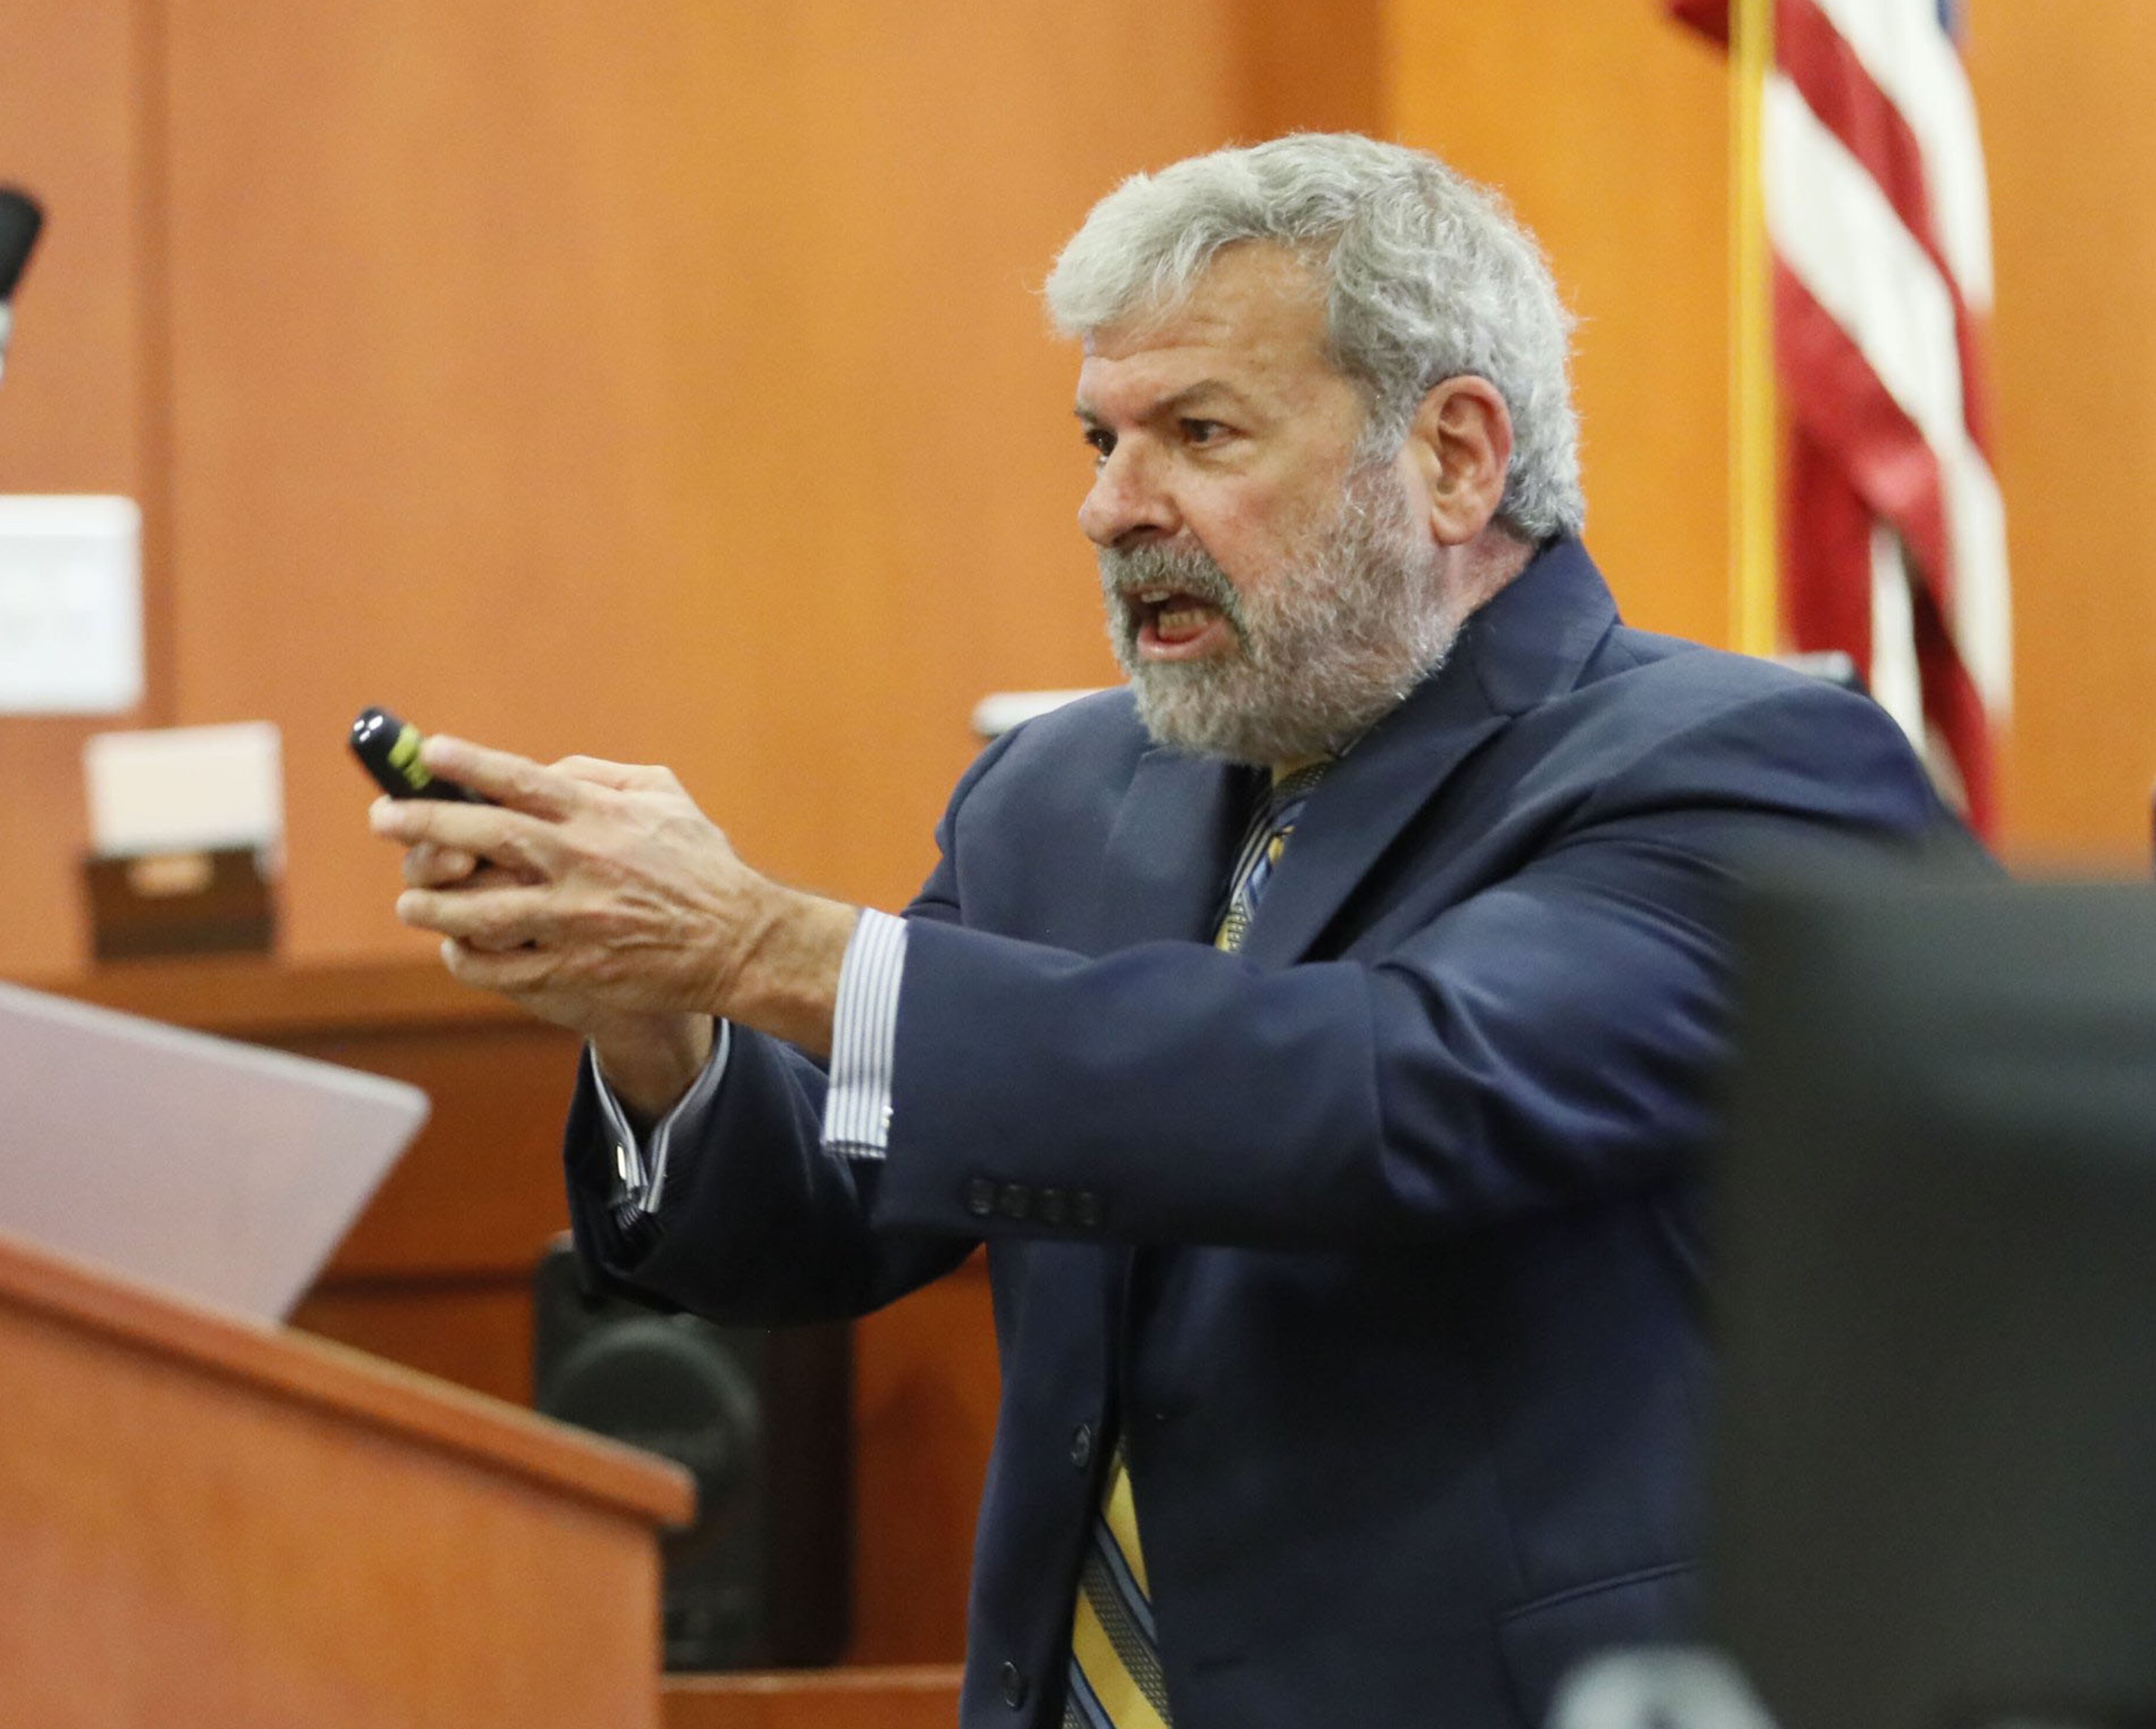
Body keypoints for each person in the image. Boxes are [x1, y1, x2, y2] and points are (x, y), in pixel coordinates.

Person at [372, 133, 1947, 1729]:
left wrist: (768, 949)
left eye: (1199, 433)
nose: (1111, 509)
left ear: (1458, 455)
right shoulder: (1056, 793)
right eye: (1100, 437)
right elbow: (832, 1217)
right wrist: (655, 1020)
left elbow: (1390, 1095)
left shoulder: (1744, 773)